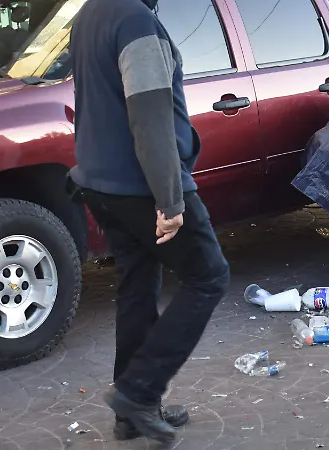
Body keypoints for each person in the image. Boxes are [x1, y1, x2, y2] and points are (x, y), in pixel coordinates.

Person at [69, 0, 230, 444]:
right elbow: (150, 113)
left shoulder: (89, 14)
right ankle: (138, 392)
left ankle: (132, 415)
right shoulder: (137, 21)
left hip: (100, 182)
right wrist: (170, 198)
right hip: (141, 184)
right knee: (209, 277)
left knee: (138, 284)